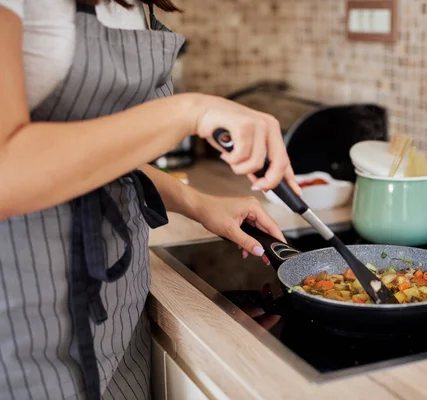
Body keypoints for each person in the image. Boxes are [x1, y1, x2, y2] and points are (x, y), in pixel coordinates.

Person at [0, 1, 301, 399]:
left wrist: (198, 203)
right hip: (24, 315)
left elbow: (99, 158)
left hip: (120, 311)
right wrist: (190, 110)